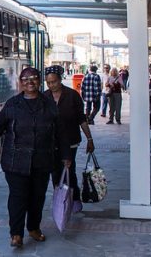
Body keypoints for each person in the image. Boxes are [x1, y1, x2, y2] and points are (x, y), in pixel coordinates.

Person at [0, 67, 71, 248]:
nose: (30, 82)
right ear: (21, 82)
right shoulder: (12, 104)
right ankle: (16, 234)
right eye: (25, 79)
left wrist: (66, 155)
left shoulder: (49, 105)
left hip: (41, 161)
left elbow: (61, 133)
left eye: (33, 78)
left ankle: (33, 228)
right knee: (18, 197)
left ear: (39, 81)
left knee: (37, 197)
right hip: (15, 162)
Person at [44, 65, 95, 214]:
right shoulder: (44, 97)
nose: (51, 85)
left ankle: (75, 198)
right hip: (51, 142)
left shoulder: (72, 95)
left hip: (71, 139)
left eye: (54, 81)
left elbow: (82, 119)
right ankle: (60, 199)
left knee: (69, 170)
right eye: (48, 82)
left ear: (60, 80)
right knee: (55, 171)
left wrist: (90, 139)